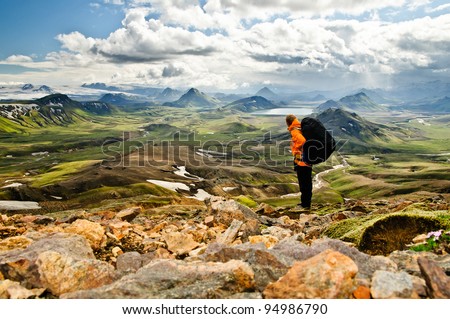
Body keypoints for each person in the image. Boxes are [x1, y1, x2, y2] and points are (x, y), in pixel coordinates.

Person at [286, 114, 312, 210]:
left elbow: (302, 141)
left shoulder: (295, 130)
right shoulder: (300, 128)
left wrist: (295, 146)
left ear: (288, 123)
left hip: (302, 162)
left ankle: (305, 205)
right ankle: (306, 203)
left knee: (304, 184)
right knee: (307, 183)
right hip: (306, 161)